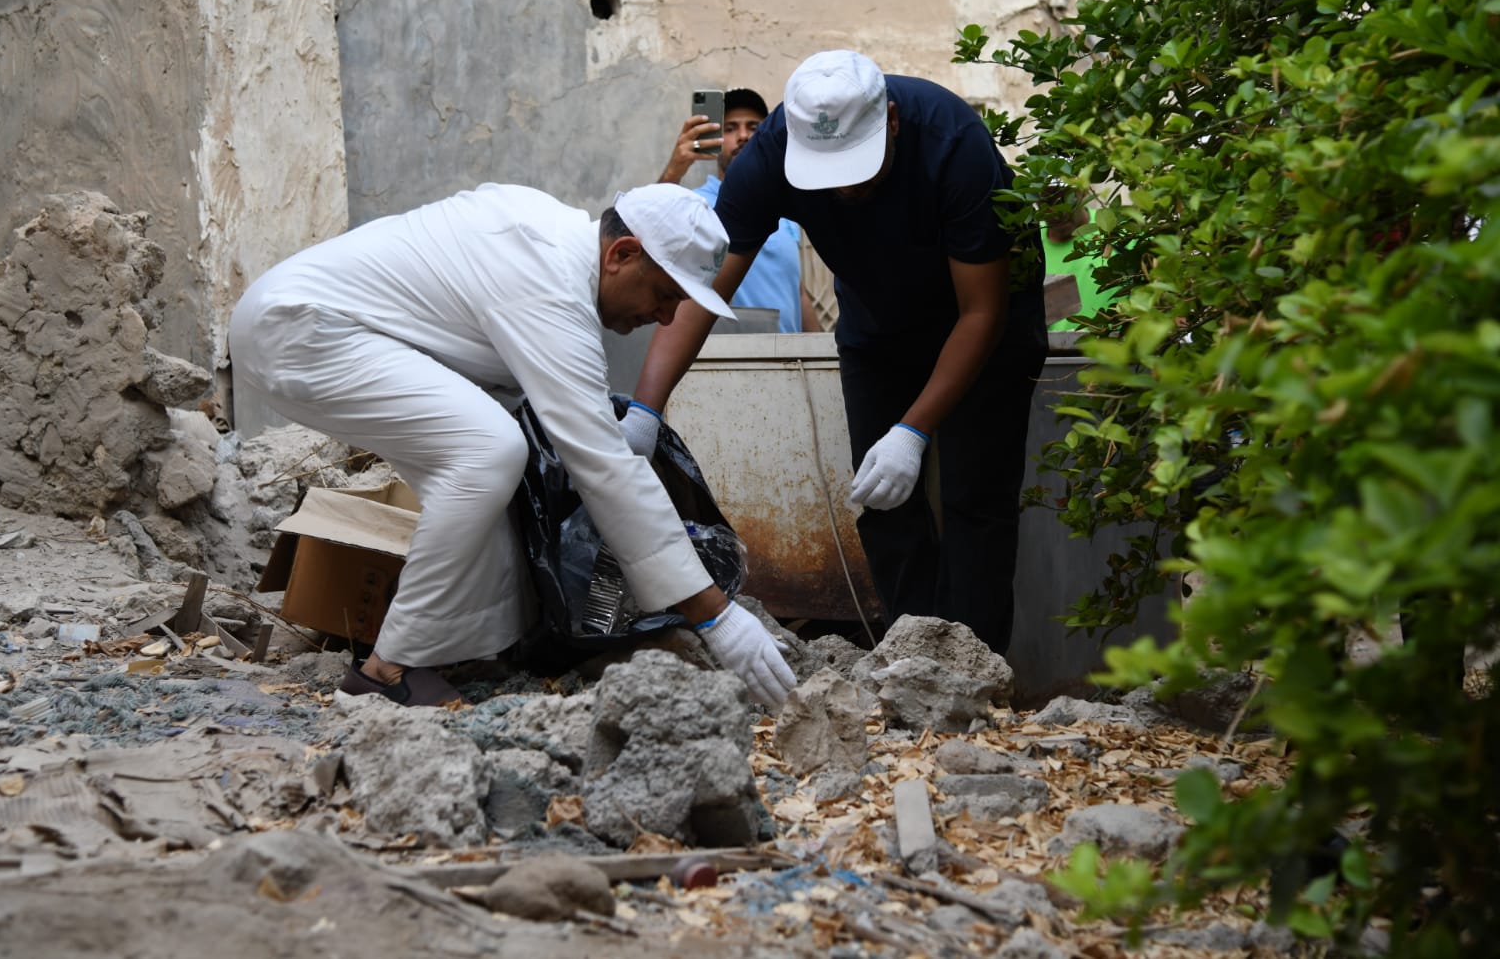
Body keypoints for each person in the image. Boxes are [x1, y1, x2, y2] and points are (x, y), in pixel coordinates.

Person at [230, 183, 796, 708]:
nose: (667, 317)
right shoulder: (548, 283)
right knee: (489, 451)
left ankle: (468, 651)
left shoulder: (554, 244)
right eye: (666, 295)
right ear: (621, 254)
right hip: (301, 330)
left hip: (320, 327)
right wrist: (715, 616)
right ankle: (385, 672)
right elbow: (604, 466)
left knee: (498, 470)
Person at [627, 51, 1048, 655]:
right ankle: (912, 659)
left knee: (974, 498)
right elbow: (700, 293)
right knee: (881, 499)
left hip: (986, 321)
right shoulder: (768, 154)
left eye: (857, 167)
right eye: (827, 173)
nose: (845, 187)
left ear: (891, 122)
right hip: (877, 322)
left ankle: (974, 667)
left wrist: (913, 431)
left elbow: (981, 312)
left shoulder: (953, 142)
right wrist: (646, 410)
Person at [658, 88, 823, 333]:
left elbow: (796, 290)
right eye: (730, 128)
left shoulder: (784, 210)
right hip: (729, 351)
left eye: (754, 127)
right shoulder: (694, 203)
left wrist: (822, 350)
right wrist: (674, 170)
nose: (743, 136)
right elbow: (646, 235)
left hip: (789, 352)